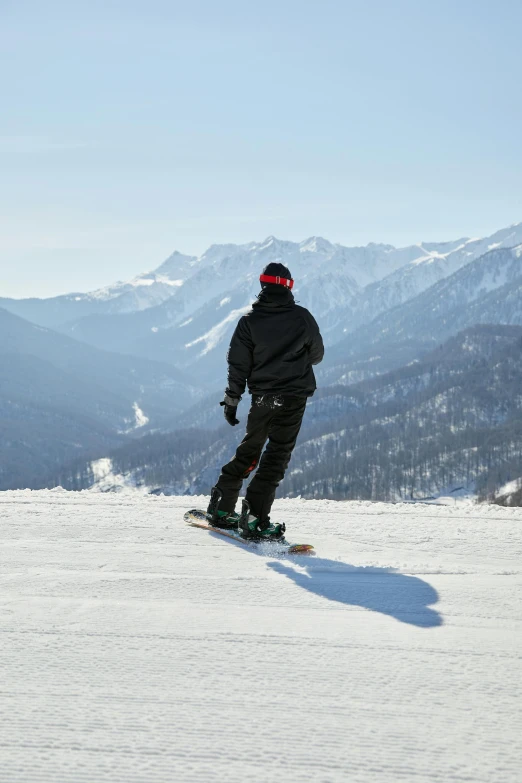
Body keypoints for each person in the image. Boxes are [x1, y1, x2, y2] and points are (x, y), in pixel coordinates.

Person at [207, 261, 324, 540]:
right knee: (276, 456)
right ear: (288, 286)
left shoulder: (248, 322)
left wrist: (232, 398)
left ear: (263, 285)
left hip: (263, 398)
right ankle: (256, 518)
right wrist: (293, 362)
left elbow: (238, 365)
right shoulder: (302, 318)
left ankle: (222, 507)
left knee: (250, 449)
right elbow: (317, 355)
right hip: (293, 397)